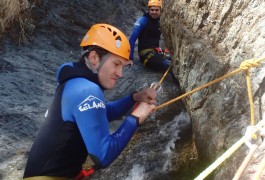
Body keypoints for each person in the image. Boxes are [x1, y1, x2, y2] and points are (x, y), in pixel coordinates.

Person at [23, 23, 157, 180]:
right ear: (94, 58)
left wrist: (134, 97)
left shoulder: (74, 83)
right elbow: (103, 155)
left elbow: (102, 113)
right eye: (116, 64)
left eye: (124, 66)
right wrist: (136, 118)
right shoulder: (87, 90)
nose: (120, 74)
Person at [129, 0, 171, 73]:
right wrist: (130, 58)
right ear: (148, 10)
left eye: (156, 10)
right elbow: (132, 39)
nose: (154, 12)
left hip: (157, 51)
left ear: (160, 10)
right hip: (145, 54)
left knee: (176, 62)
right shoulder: (142, 21)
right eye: (152, 10)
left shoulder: (161, 22)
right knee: (168, 65)